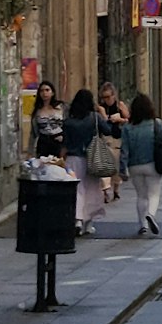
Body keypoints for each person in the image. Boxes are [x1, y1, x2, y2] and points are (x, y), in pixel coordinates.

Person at [62, 89, 112, 236]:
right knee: (92, 189)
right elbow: (108, 130)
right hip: (92, 158)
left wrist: (60, 159)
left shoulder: (68, 122)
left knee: (77, 189)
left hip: (72, 158)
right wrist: (105, 117)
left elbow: (64, 143)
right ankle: (89, 223)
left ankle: (77, 219)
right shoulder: (94, 118)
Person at [119, 93, 162, 236]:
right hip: (153, 164)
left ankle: (142, 225)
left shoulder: (128, 127)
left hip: (134, 166)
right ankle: (151, 215)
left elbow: (124, 150)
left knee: (141, 195)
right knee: (154, 194)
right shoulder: (156, 123)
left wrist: (123, 169)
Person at [97, 81, 129, 203]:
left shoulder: (120, 105)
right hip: (106, 138)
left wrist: (120, 119)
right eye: (104, 97)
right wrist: (103, 114)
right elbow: (102, 121)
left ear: (113, 95)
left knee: (116, 165)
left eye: (108, 97)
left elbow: (129, 120)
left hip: (118, 138)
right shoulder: (101, 107)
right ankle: (105, 191)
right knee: (105, 166)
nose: (107, 100)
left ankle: (116, 190)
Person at [29, 82, 64, 157]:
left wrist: (65, 137)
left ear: (53, 92)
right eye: (42, 91)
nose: (44, 93)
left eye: (47, 90)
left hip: (59, 141)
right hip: (44, 142)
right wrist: (30, 151)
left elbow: (69, 124)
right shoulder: (37, 110)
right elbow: (33, 132)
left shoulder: (61, 107)